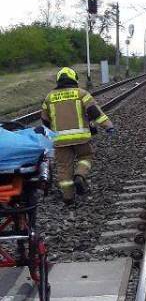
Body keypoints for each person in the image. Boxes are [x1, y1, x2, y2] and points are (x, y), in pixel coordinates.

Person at [41, 67, 114, 203]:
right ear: (74, 79)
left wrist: (48, 138)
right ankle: (80, 175)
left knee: (64, 167)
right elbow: (95, 113)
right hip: (81, 138)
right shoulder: (81, 94)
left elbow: (45, 121)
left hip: (60, 140)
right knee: (86, 157)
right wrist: (108, 126)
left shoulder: (49, 97)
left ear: (58, 80)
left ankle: (68, 197)